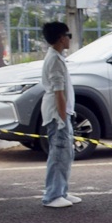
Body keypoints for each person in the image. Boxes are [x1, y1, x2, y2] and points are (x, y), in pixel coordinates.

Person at [39, 21, 80, 209]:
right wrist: (63, 119)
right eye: (68, 35)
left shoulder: (57, 57)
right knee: (58, 154)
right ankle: (52, 195)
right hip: (57, 115)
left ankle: (61, 191)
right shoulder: (54, 60)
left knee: (65, 154)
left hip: (62, 113)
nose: (69, 39)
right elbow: (58, 93)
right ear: (61, 38)